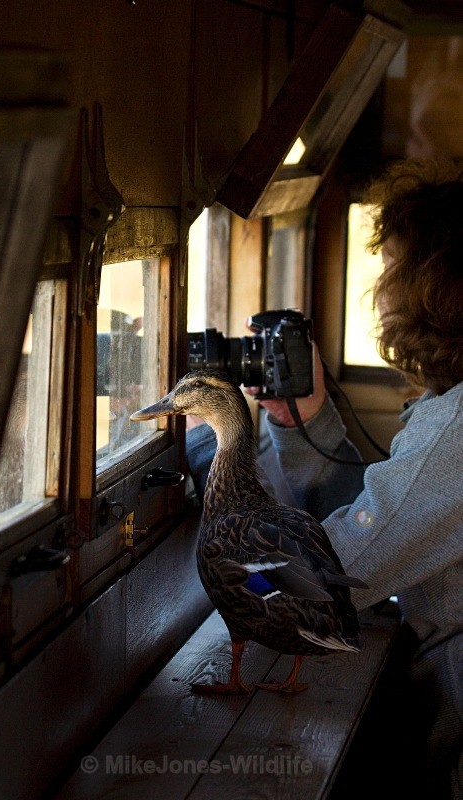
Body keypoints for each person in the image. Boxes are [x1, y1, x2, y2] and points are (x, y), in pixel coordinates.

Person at [185, 157, 463, 799]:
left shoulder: (455, 432)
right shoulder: (449, 416)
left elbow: (317, 580)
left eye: (390, 268)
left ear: (435, 290)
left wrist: (211, 444)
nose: (381, 290)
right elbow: (394, 524)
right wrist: (303, 420)